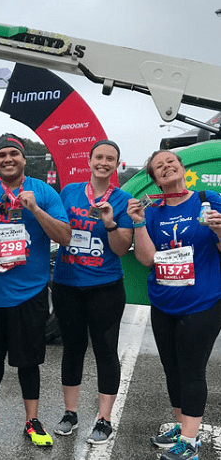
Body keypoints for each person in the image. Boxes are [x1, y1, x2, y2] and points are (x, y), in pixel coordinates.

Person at [0, 133, 71, 447]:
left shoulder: (44, 191)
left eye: (14, 154)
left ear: (24, 159)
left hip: (30, 292)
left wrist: (36, 210)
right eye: (2, 156)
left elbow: (65, 237)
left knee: (28, 361)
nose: (8, 159)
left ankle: (32, 421)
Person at [128, 150, 221, 460]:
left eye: (171, 162)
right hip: (164, 302)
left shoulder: (209, 199)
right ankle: (183, 427)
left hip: (203, 302)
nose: (166, 167)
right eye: (159, 167)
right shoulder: (152, 211)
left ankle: (190, 445)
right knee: (172, 369)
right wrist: (139, 224)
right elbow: (145, 259)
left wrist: (219, 229)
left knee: (192, 371)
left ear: (182, 169)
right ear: (155, 179)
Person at [50, 140, 133, 444]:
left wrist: (110, 222)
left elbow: (122, 248)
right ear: (89, 160)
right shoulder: (69, 192)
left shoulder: (123, 199)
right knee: (72, 348)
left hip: (105, 287)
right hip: (67, 284)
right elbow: (52, 224)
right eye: (99, 157)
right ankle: (70, 413)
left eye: (110, 158)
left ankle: (104, 418)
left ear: (116, 164)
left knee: (105, 351)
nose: (103, 162)